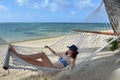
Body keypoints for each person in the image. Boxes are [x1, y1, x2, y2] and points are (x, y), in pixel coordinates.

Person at [8, 44, 78, 70]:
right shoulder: (63, 54)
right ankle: (17, 57)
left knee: (42, 54)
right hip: (51, 65)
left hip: (53, 69)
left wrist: (66, 70)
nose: (68, 49)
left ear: (73, 52)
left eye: (70, 49)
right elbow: (55, 53)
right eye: (69, 48)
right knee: (34, 62)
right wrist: (48, 47)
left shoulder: (71, 59)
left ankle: (18, 55)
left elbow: (72, 67)